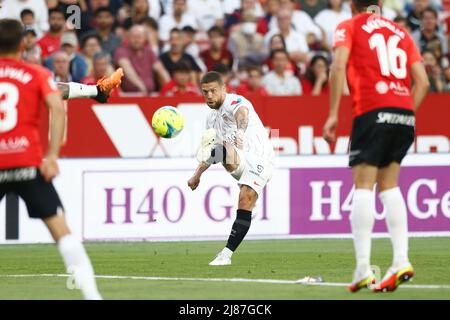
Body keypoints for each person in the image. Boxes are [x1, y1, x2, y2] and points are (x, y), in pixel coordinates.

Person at [323, 0, 429, 293]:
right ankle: (401, 261)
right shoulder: (400, 31)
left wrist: (332, 114)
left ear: (352, 6)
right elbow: (422, 81)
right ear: (379, 4)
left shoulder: (349, 26)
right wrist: (404, 111)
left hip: (371, 109)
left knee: (363, 185)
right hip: (403, 112)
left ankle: (362, 267)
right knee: (389, 185)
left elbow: (338, 65)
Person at [0, 19, 102, 300]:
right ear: (23, 45)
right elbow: (57, 107)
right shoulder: (35, 73)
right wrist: (52, 155)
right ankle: (92, 296)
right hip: (27, 163)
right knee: (63, 233)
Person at [188, 71, 275, 266]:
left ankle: (226, 254)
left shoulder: (234, 101)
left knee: (245, 199)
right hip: (238, 159)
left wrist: (241, 132)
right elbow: (212, 151)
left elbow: (242, 114)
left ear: (223, 89)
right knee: (218, 146)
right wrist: (197, 175)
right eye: (205, 92)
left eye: (213, 91)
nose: (209, 96)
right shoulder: (211, 119)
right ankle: (226, 151)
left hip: (260, 158)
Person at [114, 25, 170, 95]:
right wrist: (141, 87)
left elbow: (160, 69)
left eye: (139, 37)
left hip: (149, 94)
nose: (136, 40)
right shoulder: (121, 50)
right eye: (134, 37)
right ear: (128, 37)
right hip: (129, 95)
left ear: (145, 38)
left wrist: (170, 86)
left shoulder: (148, 51)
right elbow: (128, 70)